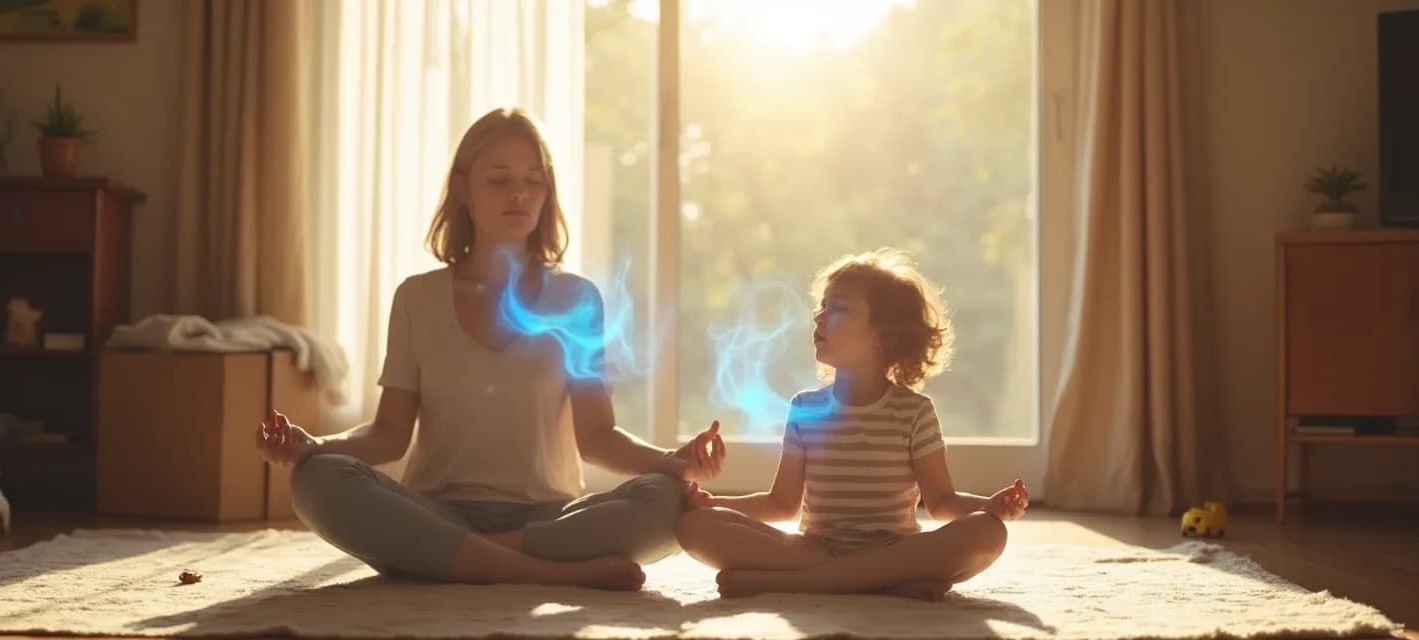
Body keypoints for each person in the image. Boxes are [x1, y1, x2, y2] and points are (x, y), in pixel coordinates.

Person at [257, 108, 726, 591]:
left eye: (533, 181)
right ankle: (540, 572)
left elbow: (598, 436)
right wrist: (315, 448)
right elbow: (389, 435)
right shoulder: (417, 298)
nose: (519, 194)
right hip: (436, 509)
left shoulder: (576, 298)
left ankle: (456, 559)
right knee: (315, 479)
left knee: (668, 498)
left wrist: (672, 462)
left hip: (546, 516)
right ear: (463, 190)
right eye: (499, 180)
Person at [675, 247, 1029, 599]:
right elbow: (782, 504)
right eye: (822, 306)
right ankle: (882, 584)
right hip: (815, 550)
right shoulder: (804, 408)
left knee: (988, 532)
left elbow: (941, 502)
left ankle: (798, 584)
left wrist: (989, 506)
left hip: (894, 551)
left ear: (882, 334)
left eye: (839, 308)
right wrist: (713, 504)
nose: (819, 317)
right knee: (694, 527)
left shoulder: (915, 412)